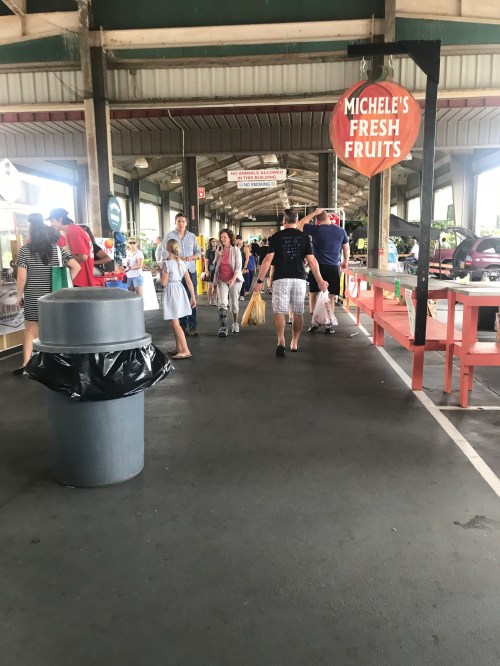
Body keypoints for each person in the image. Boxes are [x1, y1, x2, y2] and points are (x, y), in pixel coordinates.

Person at [254, 208, 328, 357]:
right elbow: (312, 261)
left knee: (279, 311)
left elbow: (268, 260)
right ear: (296, 220)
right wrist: (320, 280)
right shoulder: (304, 237)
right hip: (299, 279)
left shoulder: (276, 237)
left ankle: (281, 340)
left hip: (281, 278)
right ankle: (294, 342)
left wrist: (260, 280)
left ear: (284, 220)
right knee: (298, 312)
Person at [14, 214, 81, 374]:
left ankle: (26, 365)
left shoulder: (24, 250)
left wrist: (19, 295)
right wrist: (64, 284)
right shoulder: (57, 250)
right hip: (53, 296)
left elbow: (22, 276)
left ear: (31, 232)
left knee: (30, 330)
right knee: (54, 330)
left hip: (33, 296)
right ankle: (55, 364)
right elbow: (76, 267)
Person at [297, 208, 349, 333]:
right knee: (331, 296)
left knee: (313, 293)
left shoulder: (316, 229)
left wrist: (314, 213)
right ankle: (329, 324)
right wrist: (345, 261)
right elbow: (346, 248)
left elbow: (300, 225)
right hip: (333, 267)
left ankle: (314, 322)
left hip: (317, 267)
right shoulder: (341, 231)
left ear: (317, 221)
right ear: (329, 218)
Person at [163, 212, 202, 336]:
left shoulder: (192, 236)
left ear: (186, 223)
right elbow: (163, 252)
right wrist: (174, 260)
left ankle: (193, 326)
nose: (181, 223)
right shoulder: (169, 236)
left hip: (190, 269)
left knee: (192, 296)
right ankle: (183, 325)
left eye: (183, 221)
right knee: (179, 299)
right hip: (175, 272)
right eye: (179, 221)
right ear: (175, 222)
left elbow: (198, 252)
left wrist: (191, 258)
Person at [161, 239, 196, 360]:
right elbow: (189, 281)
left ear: (167, 249)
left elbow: (163, 282)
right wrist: (193, 296)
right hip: (180, 290)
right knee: (174, 321)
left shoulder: (167, 264)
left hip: (172, 291)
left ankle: (185, 350)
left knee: (175, 322)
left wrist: (161, 271)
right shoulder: (181, 263)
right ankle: (178, 347)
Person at [47, 208, 94, 287]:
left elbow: (83, 256)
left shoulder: (73, 231)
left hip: (80, 280)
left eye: (52, 221)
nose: (51, 224)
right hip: (80, 279)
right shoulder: (72, 230)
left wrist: (63, 262)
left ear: (60, 219)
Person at [212, 228, 243, 337]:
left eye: (225, 237)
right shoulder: (219, 249)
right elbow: (214, 264)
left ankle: (235, 323)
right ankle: (223, 327)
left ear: (230, 238)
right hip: (221, 279)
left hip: (234, 279)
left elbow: (238, 266)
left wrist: (233, 279)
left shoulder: (236, 250)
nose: (223, 239)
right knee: (222, 303)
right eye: (221, 237)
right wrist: (218, 256)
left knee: (234, 303)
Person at [204, 237, 218, 306]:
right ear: (210, 243)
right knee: (210, 286)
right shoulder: (208, 251)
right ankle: (209, 300)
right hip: (211, 270)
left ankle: (215, 300)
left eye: (215, 241)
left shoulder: (219, 250)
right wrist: (206, 270)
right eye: (213, 241)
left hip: (218, 269)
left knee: (216, 286)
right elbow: (206, 261)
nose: (214, 242)